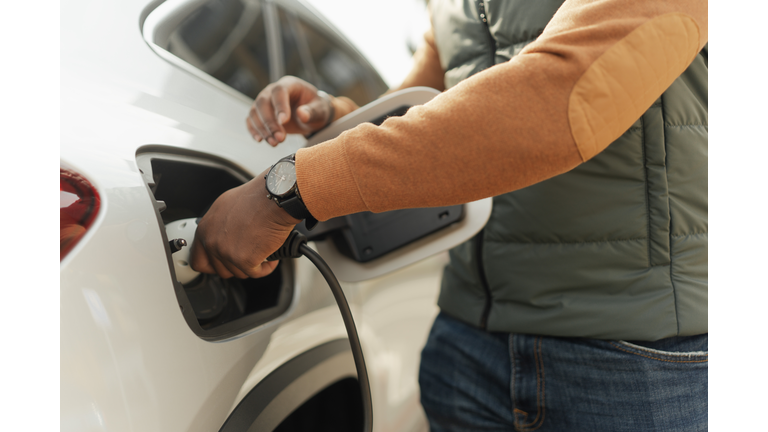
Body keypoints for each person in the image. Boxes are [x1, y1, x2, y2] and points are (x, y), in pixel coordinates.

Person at [190, 0, 708, 430]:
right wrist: (337, 119)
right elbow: (432, 114)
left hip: (632, 359)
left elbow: (560, 101)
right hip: (466, 343)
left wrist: (291, 187)